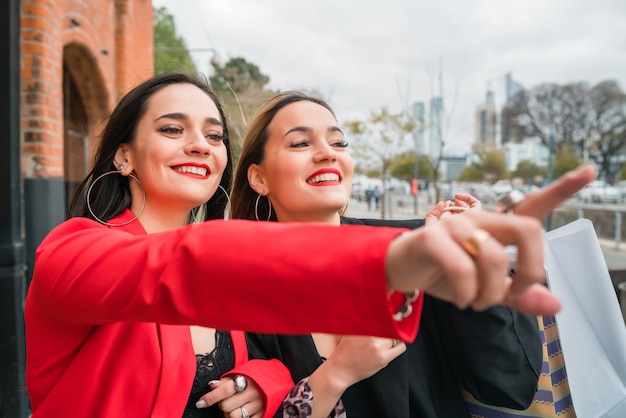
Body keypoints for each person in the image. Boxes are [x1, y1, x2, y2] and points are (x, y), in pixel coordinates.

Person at [229, 90, 596, 417]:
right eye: (299, 144)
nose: (328, 153)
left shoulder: (413, 246)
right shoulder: (238, 282)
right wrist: (333, 374)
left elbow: (509, 385)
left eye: (339, 143)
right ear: (259, 178)